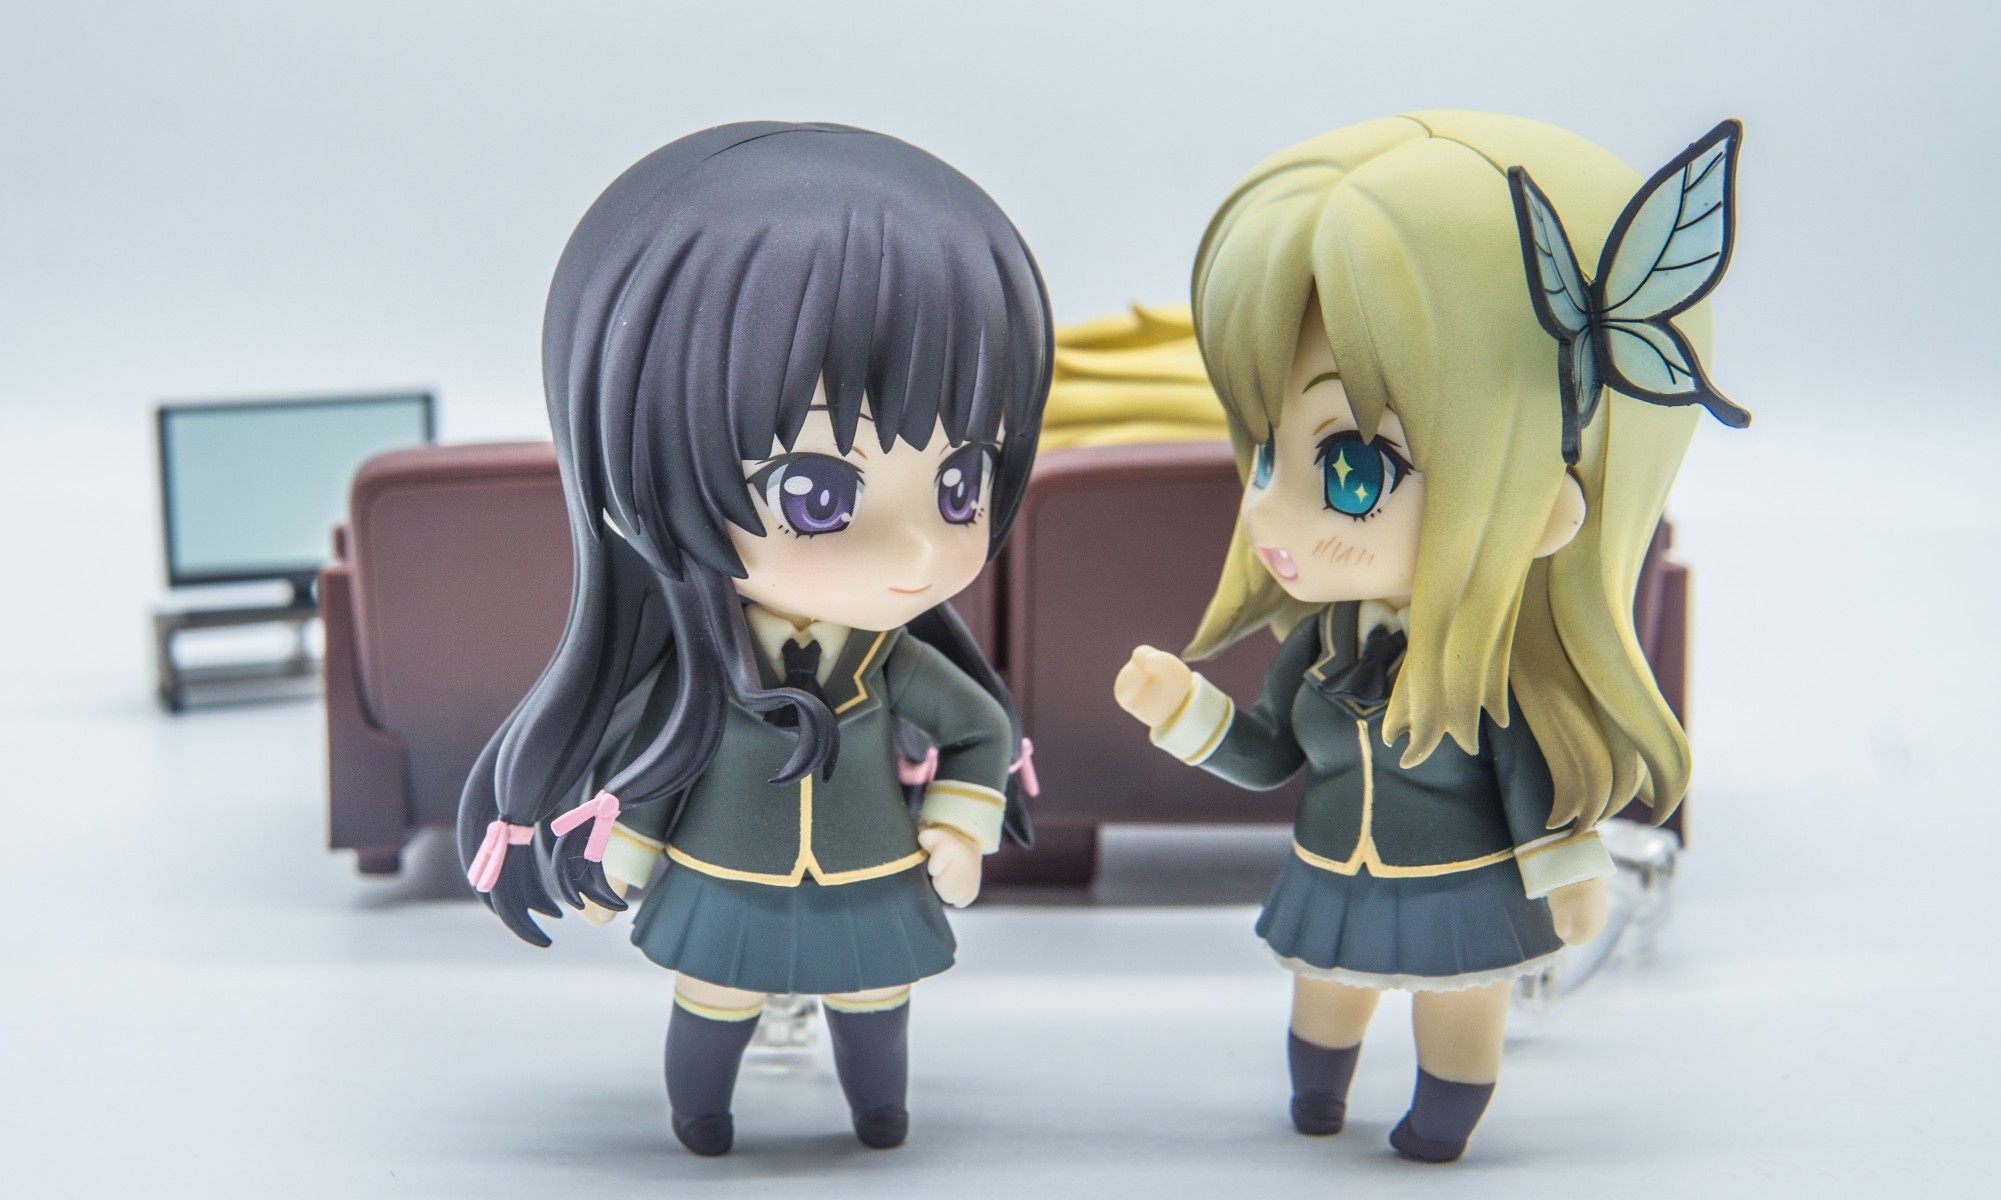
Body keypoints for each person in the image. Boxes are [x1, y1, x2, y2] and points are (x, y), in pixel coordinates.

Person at [1114, 111, 1748, 1162]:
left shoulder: (1493, 674)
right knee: (1325, 997)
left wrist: (1568, 870)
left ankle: (1443, 1116)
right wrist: (1186, 715)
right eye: (1266, 454)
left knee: (1458, 1008)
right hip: (1333, 876)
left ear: (1548, 500)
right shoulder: (1326, 643)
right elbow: (1268, 753)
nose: (1268, 512)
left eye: (1351, 472)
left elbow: (1531, 780)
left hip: (1464, 891)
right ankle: (1318, 1093)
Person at [459, 122, 1051, 1156]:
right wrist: (622, 859)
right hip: (726, 881)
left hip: (870, 881)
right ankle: (702, 1115)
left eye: (962, 483)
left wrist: (961, 826)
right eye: (818, 493)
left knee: (876, 1006)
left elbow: (978, 730)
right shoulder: (704, 677)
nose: (921, 548)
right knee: (713, 1005)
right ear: (647, 475)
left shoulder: (892, 664)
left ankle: (878, 1112)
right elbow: (658, 763)